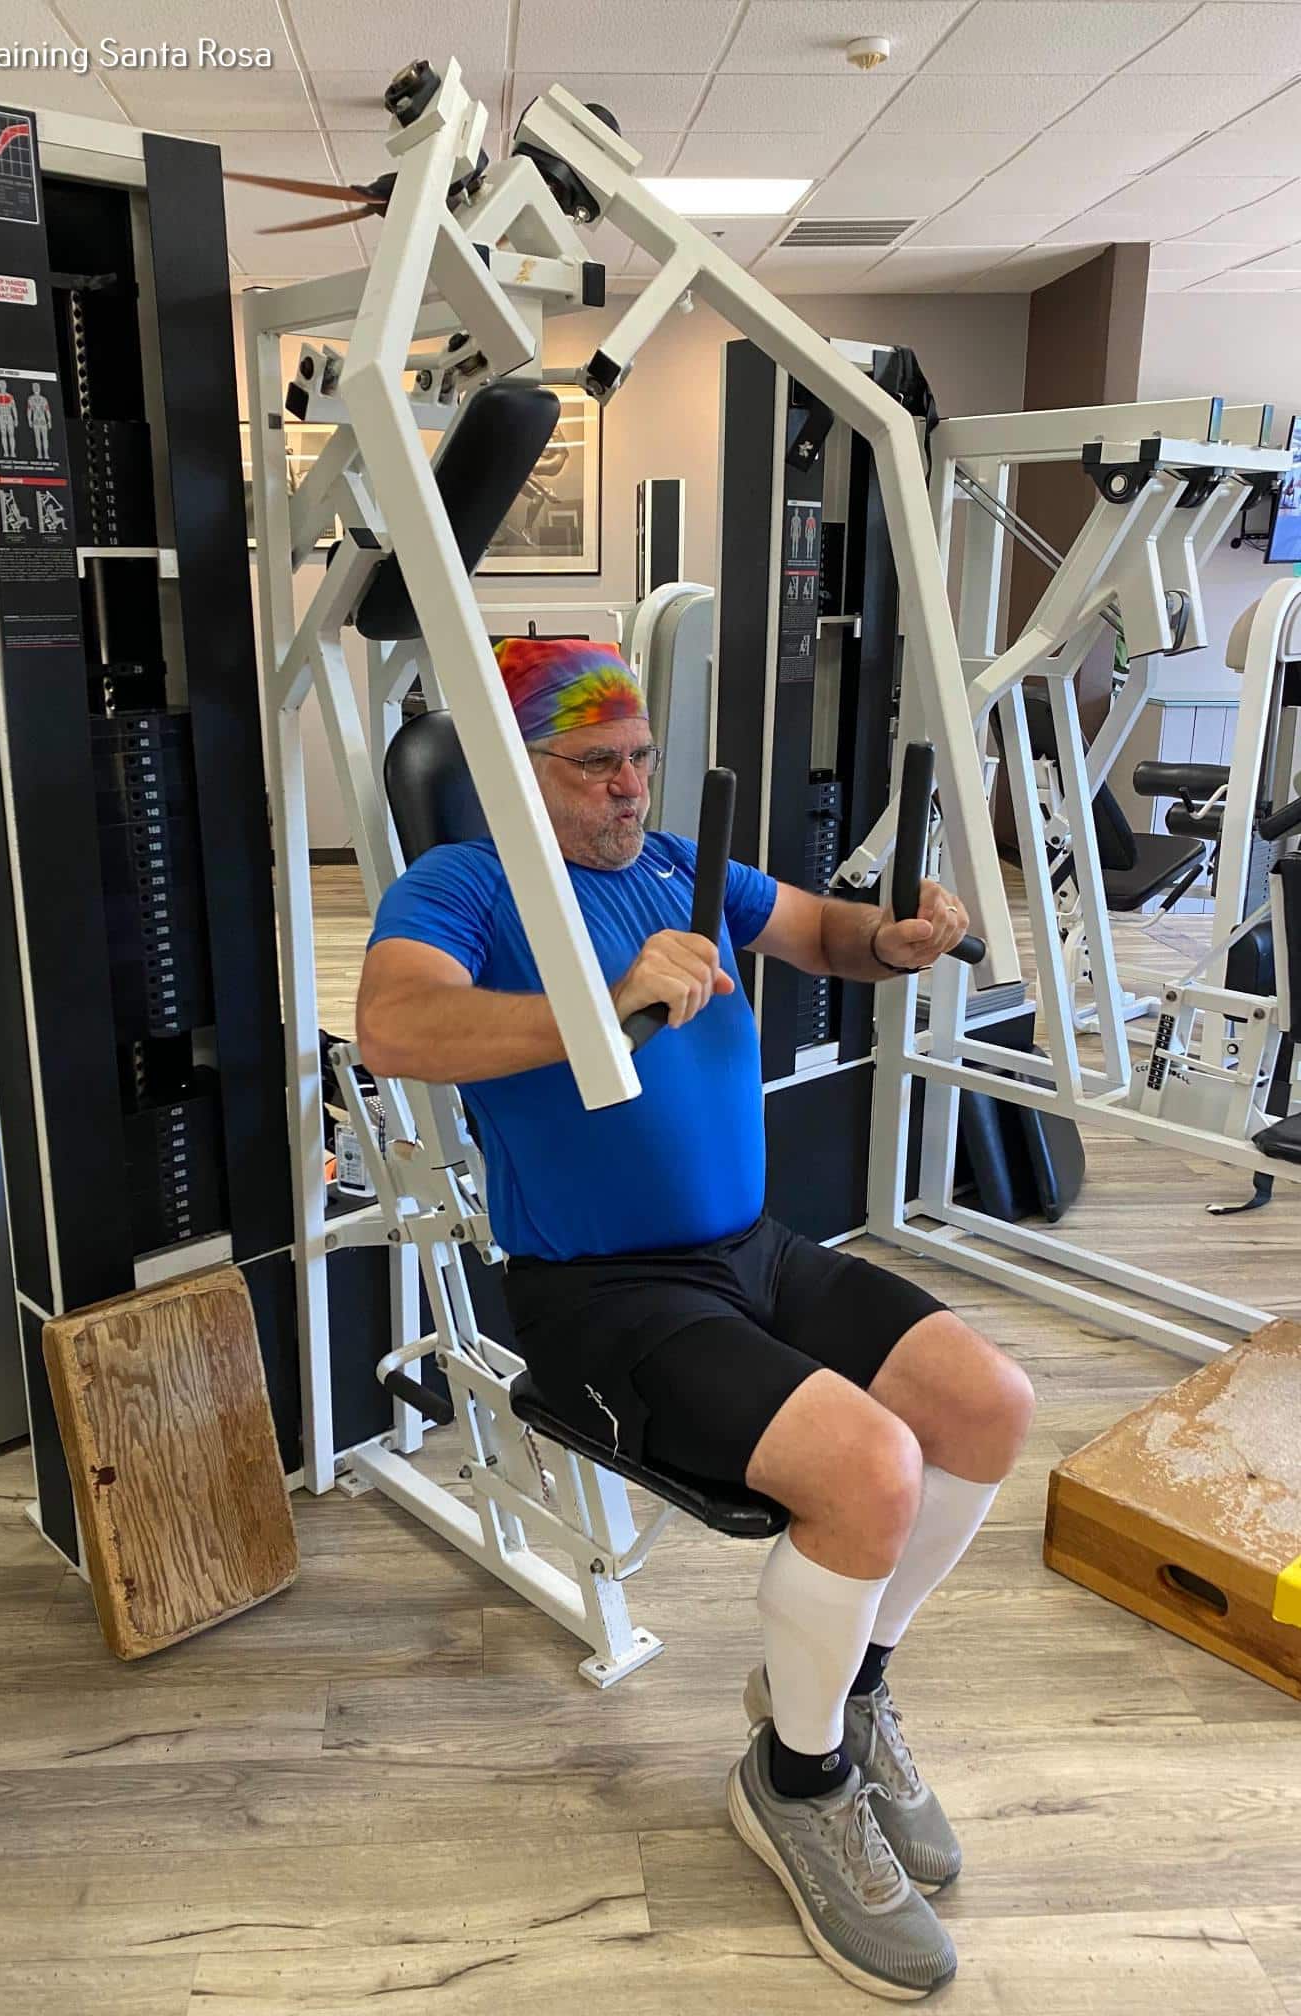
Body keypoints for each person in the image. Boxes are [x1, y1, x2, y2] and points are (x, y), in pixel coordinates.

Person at [356, 636, 1034, 2001]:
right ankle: (797, 1782)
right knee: (869, 1469)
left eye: (640, 759)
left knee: (986, 1404)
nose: (627, 788)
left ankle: (847, 1692)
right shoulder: (468, 886)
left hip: (755, 1253)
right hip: (603, 1291)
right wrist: (609, 999)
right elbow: (395, 1029)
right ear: (520, 772)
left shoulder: (685, 867)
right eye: (594, 765)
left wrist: (894, 941)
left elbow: (825, 929)